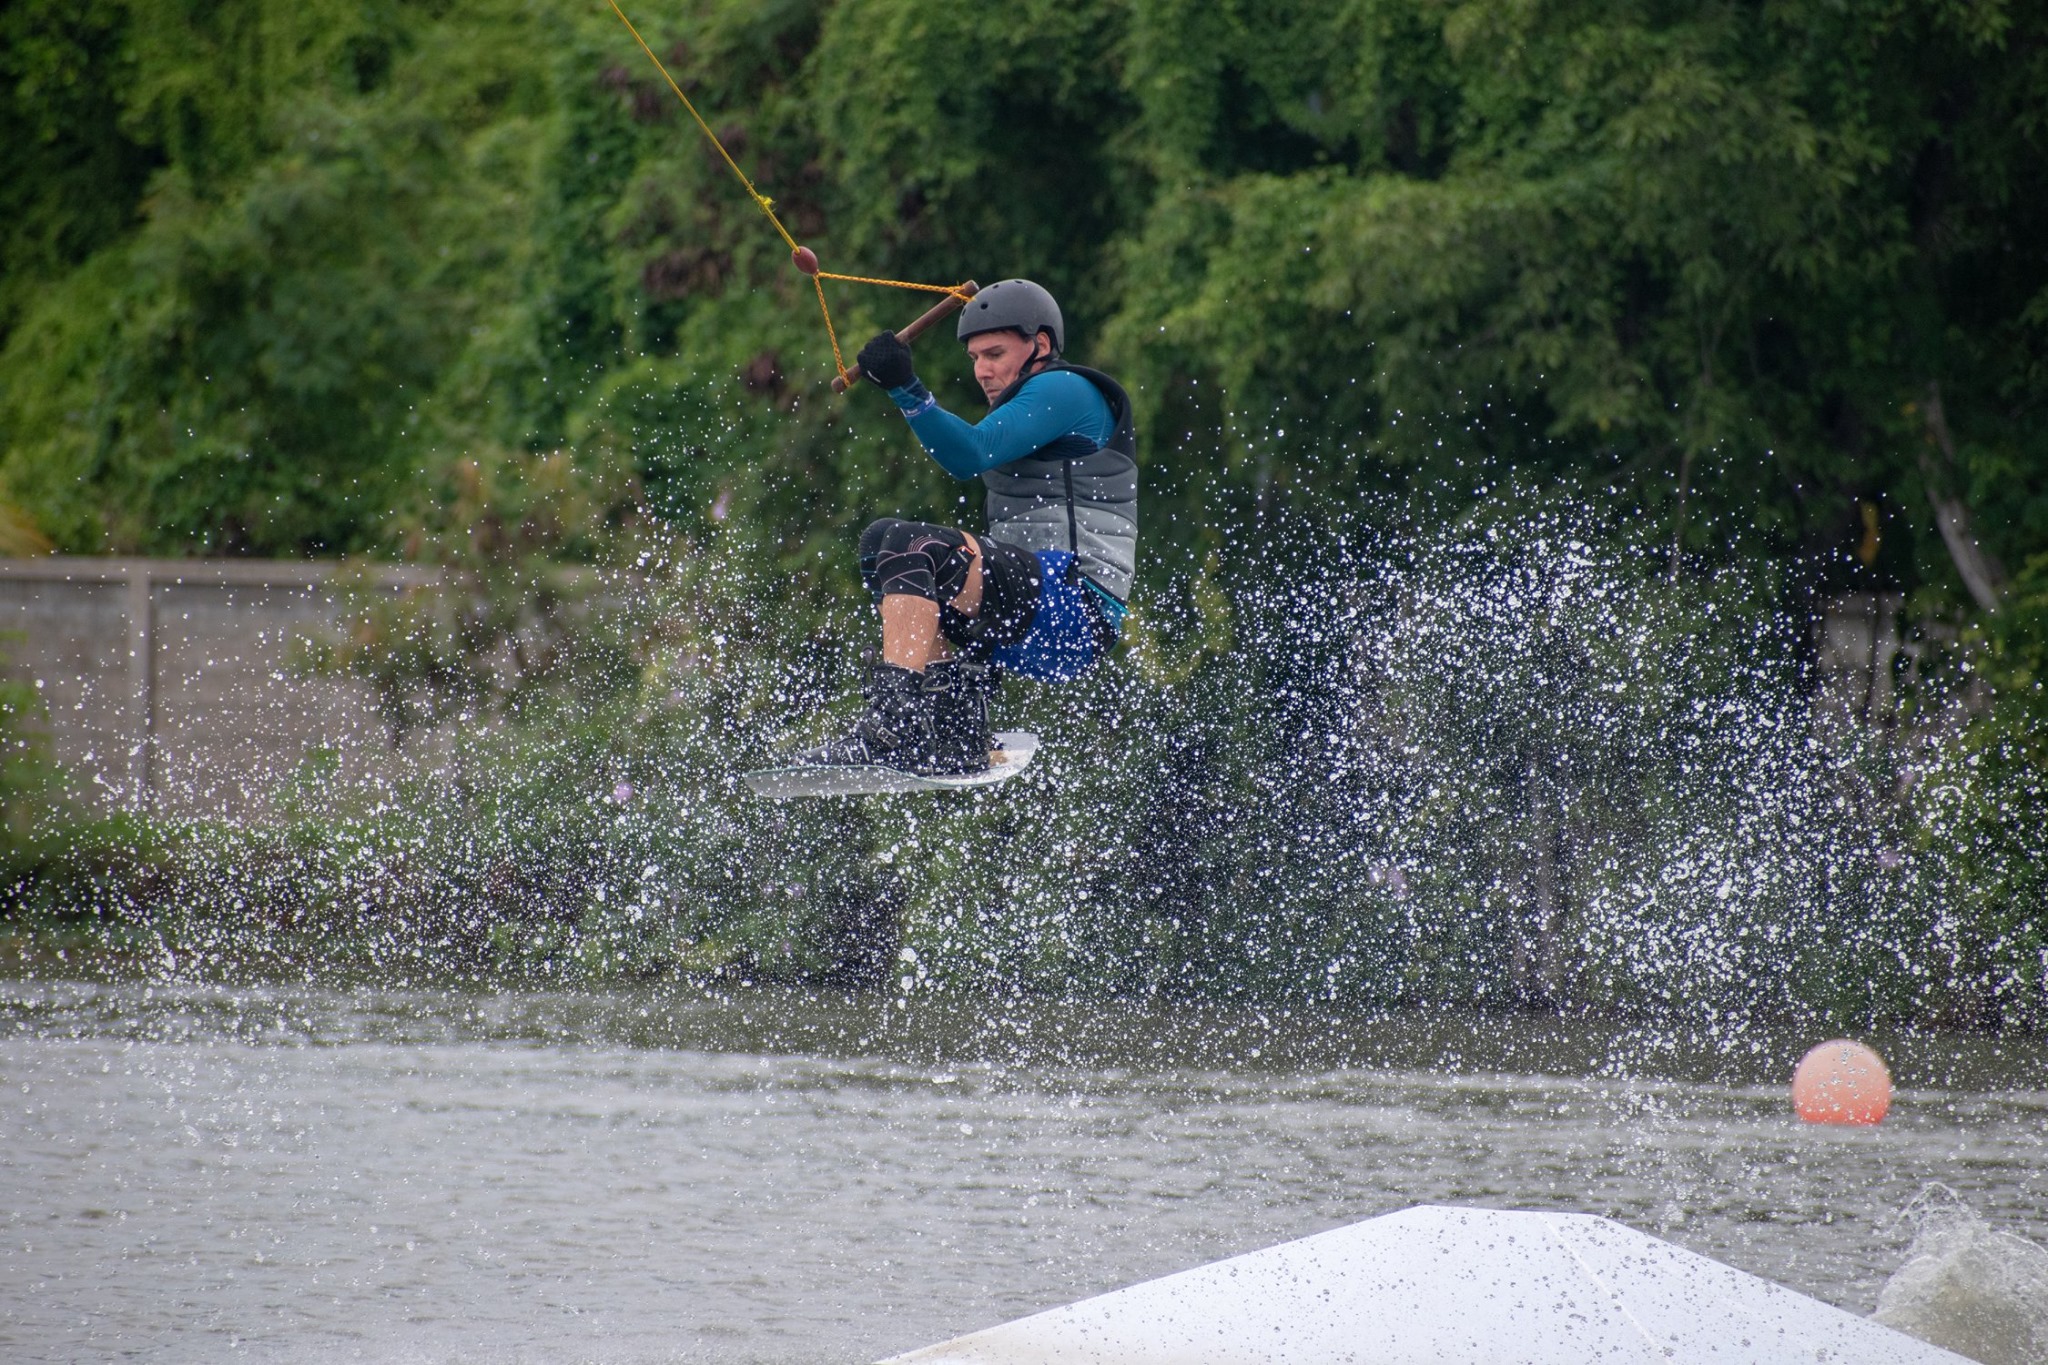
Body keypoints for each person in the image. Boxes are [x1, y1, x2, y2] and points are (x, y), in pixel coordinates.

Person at [798, 278, 1138, 774]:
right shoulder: (1026, 405)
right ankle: (951, 725)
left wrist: (905, 388)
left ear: (1041, 345)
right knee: (881, 544)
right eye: (975, 357)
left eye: (995, 354)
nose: (982, 370)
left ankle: (893, 726)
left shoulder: (1067, 390)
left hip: (1077, 611)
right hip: (1023, 617)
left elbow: (968, 454)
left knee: (914, 544)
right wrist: (904, 389)